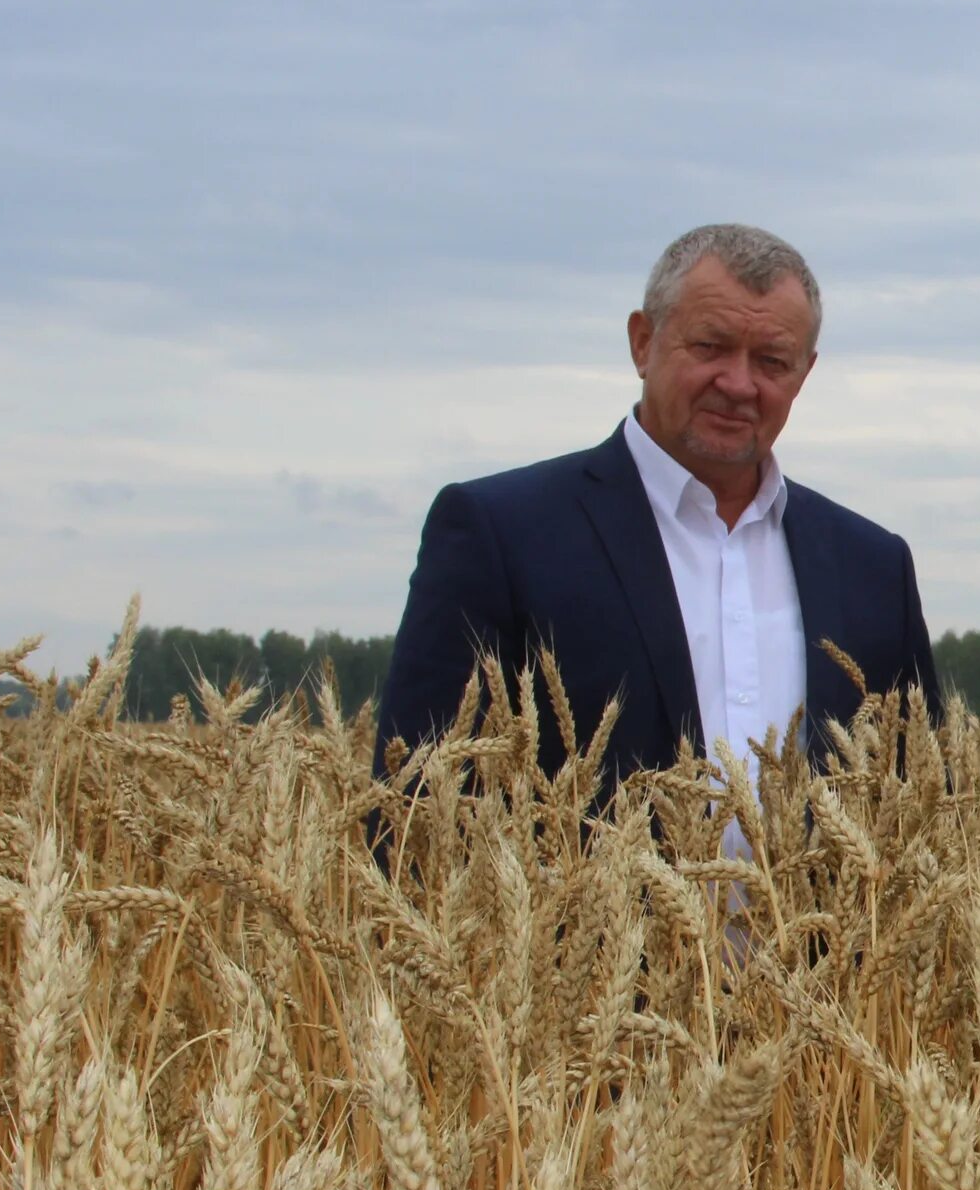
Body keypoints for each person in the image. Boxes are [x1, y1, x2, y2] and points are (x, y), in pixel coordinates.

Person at [375, 223, 940, 789]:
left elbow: (925, 811)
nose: (739, 383)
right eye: (710, 347)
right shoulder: (500, 536)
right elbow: (413, 807)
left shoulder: (875, 568)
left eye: (772, 361)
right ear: (642, 342)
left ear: (805, 373)